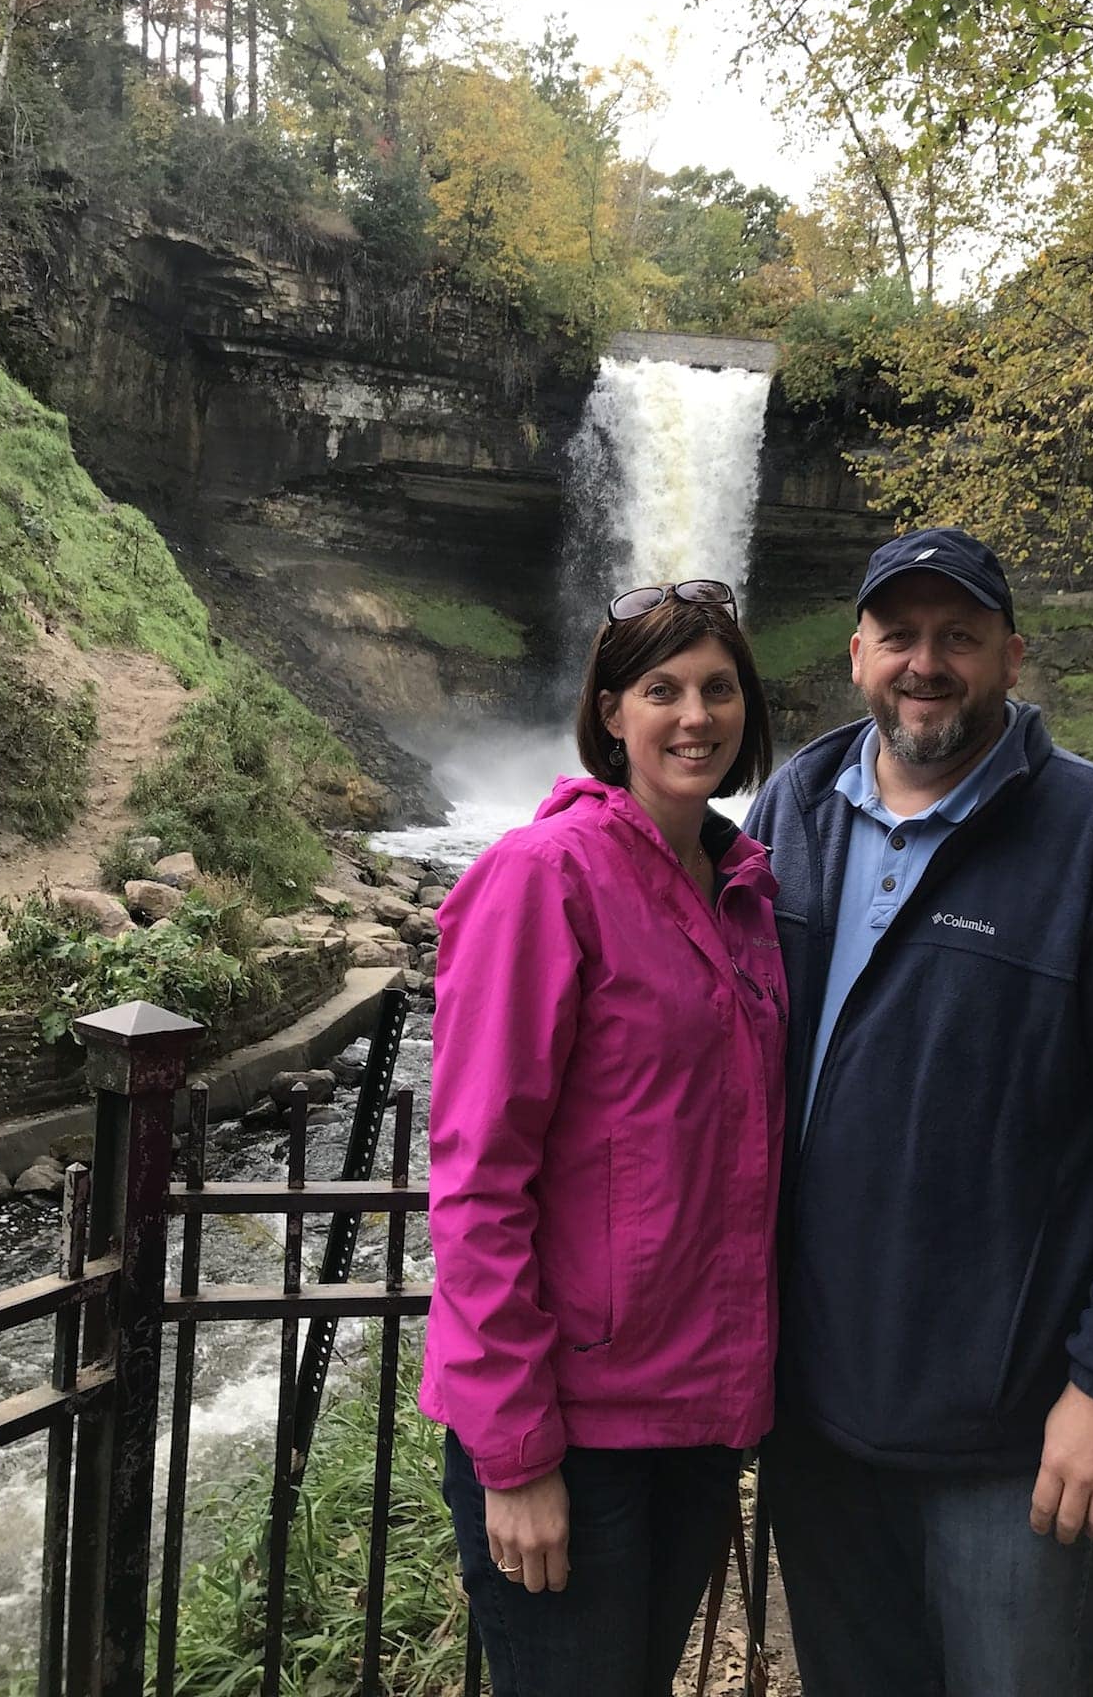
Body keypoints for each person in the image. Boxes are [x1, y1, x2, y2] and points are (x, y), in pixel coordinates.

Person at [742, 526, 1093, 1697]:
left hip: (1016, 1436)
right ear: (856, 651)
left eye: (959, 636)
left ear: (1011, 658)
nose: (928, 662)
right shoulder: (791, 816)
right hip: (812, 1411)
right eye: (901, 634)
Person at [420, 577, 785, 1697]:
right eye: (662, 689)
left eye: (719, 688)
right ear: (610, 713)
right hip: (571, 1429)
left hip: (697, 1413)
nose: (696, 715)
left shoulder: (744, 892)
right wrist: (516, 1451)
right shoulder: (543, 878)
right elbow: (479, 1179)